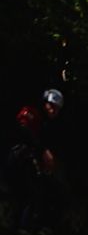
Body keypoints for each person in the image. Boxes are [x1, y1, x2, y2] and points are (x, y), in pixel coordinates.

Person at [4, 88, 66, 227]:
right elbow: (22, 130)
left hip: (28, 161)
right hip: (15, 155)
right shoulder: (31, 113)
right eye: (51, 106)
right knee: (30, 189)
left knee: (40, 192)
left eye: (57, 109)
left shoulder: (47, 126)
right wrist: (42, 150)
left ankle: (23, 228)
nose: (53, 111)